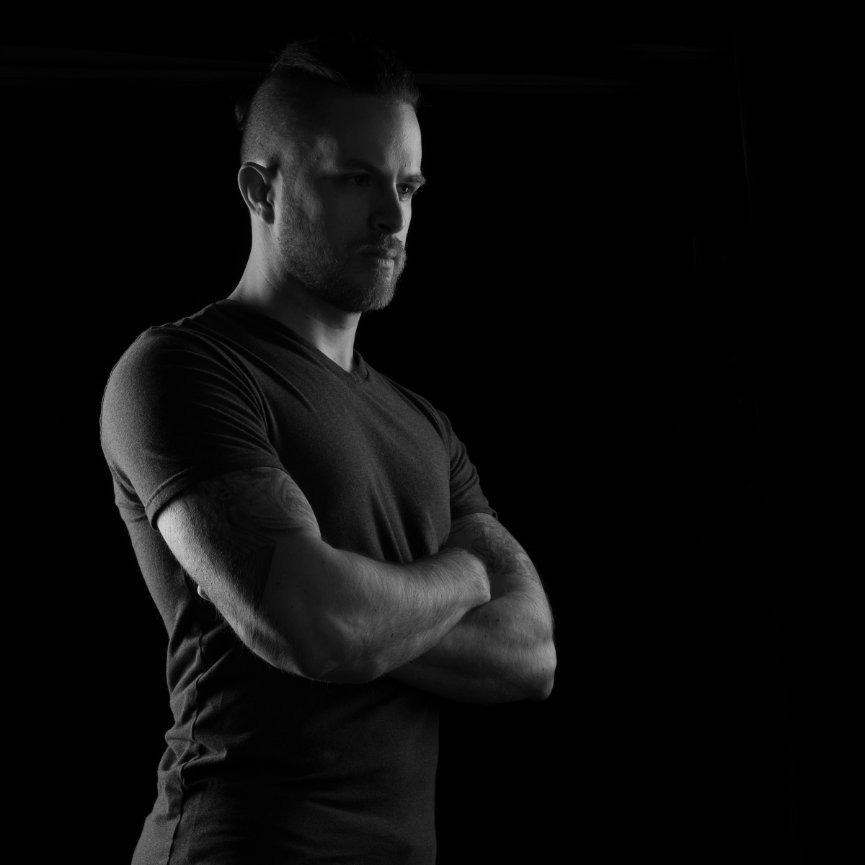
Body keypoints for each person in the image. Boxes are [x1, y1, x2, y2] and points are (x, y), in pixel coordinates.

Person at [100, 33, 556, 865]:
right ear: (260, 189)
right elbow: (311, 624)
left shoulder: (424, 424)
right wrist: (464, 576)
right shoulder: (181, 369)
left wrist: (365, 618)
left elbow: (529, 653)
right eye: (354, 179)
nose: (393, 216)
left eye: (406, 186)